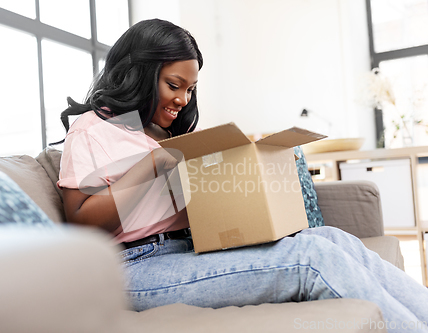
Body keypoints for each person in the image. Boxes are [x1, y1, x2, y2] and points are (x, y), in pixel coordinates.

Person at [55, 19, 428, 332]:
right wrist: (154, 164)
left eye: (190, 89)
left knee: (330, 238)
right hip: (134, 268)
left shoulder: (160, 133)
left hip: (187, 248)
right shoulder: (94, 130)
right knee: (313, 257)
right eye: (174, 85)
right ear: (139, 72)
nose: (183, 99)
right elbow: (81, 221)